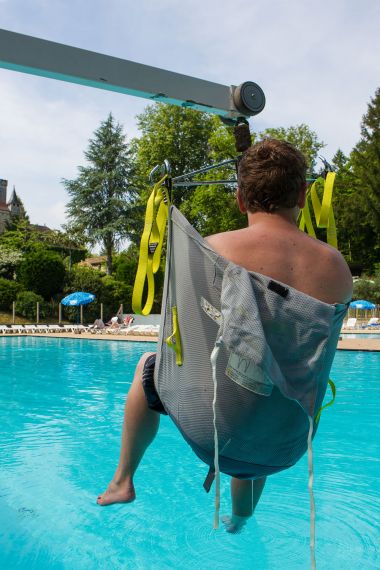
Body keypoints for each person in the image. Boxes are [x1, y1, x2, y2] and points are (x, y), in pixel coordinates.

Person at [97, 138, 353, 533]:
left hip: (210, 431)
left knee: (150, 366)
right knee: (266, 383)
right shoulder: (336, 268)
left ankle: (122, 481)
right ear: (303, 194)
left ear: (239, 198)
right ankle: (242, 517)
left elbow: (178, 338)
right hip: (288, 439)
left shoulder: (213, 252)